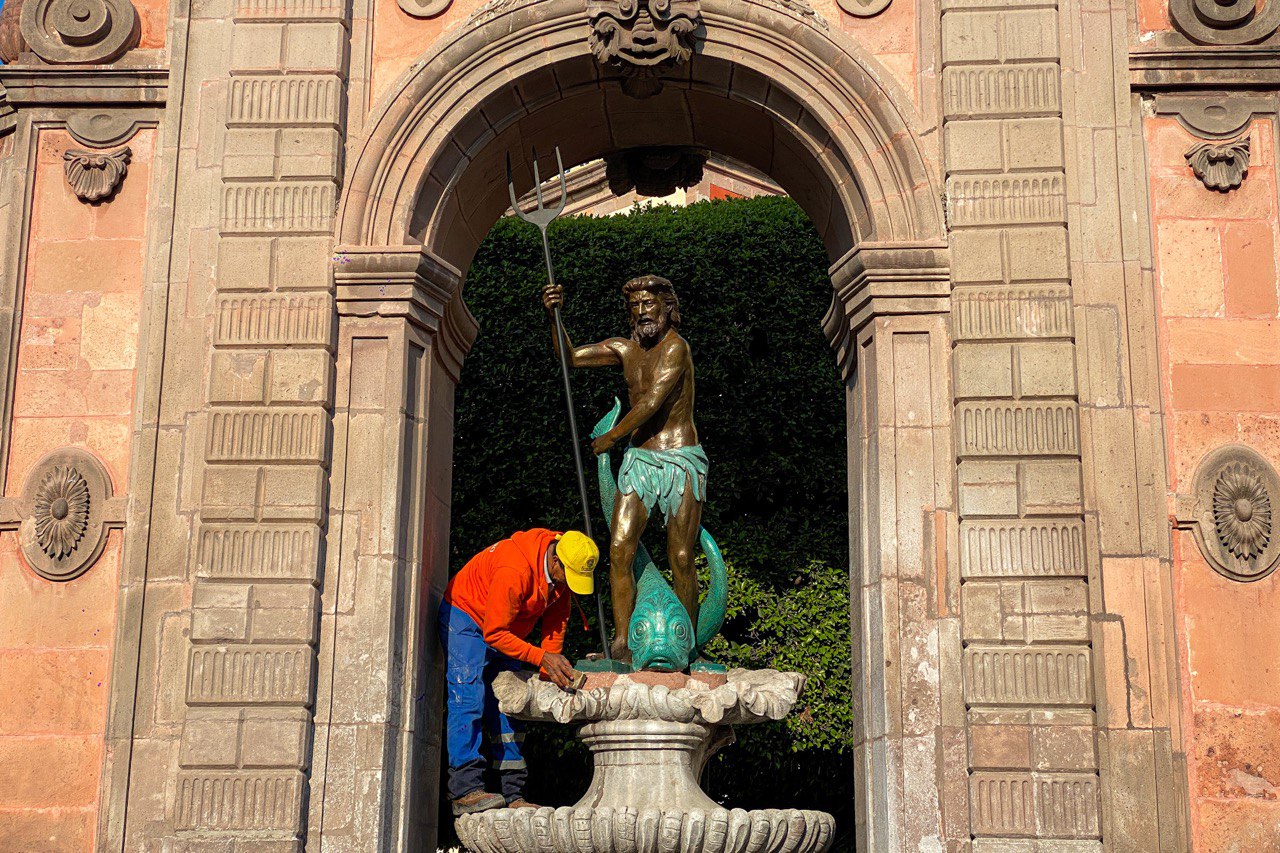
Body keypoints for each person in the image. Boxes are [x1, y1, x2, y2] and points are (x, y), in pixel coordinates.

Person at [543, 275, 703, 664]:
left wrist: (611, 438)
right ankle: (623, 643)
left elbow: (650, 403)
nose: (642, 312)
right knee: (618, 549)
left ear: (667, 308)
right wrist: (554, 317)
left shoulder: (676, 348)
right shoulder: (624, 348)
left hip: (680, 458)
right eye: (635, 306)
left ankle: (690, 645)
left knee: (681, 556)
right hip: (640, 461)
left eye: (649, 304)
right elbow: (571, 358)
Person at [438, 528, 598, 815]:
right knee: (468, 697)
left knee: (508, 703)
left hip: (505, 630)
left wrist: (552, 673)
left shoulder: (561, 578)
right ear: (555, 562)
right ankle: (465, 790)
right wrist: (541, 657)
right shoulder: (514, 568)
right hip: (466, 617)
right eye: (569, 577)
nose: (570, 587)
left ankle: (514, 794)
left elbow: (556, 625)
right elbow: (494, 633)